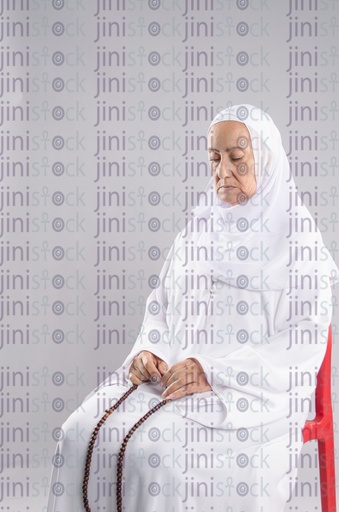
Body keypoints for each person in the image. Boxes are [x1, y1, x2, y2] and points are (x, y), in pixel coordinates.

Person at [47, 104, 338, 512]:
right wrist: (150, 352)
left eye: (237, 160)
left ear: (266, 161)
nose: (222, 172)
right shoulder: (199, 230)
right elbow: (162, 307)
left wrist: (214, 370)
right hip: (172, 381)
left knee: (154, 456)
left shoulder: (298, 243)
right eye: (215, 160)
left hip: (248, 395)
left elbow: (302, 342)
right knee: (77, 434)